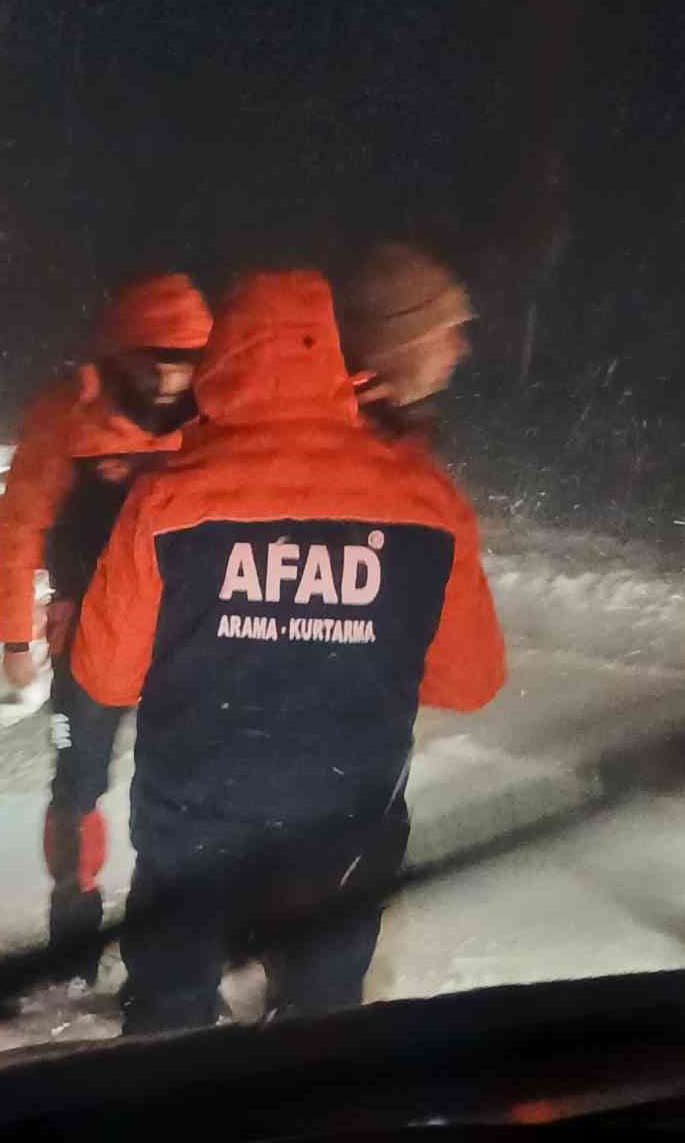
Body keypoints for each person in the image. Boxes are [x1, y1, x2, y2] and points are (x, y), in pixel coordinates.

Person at [57, 269, 506, 1033]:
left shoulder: (169, 497)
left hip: (194, 817)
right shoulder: (425, 499)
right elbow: (471, 680)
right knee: (321, 1020)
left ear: (221, 363)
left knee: (170, 1009)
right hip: (346, 821)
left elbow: (103, 672)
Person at [0, 273, 214, 979]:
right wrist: (15, 635)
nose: (172, 375)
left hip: (192, 634)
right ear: (122, 352)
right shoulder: (68, 420)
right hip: (88, 633)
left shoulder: (219, 420)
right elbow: (21, 526)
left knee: (187, 788)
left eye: (187, 359)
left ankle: (172, 934)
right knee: (77, 785)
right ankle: (74, 925)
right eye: (158, 357)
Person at [337, 242, 476, 439]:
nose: (463, 348)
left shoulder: (380, 433)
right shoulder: (352, 446)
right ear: (398, 343)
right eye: (448, 331)